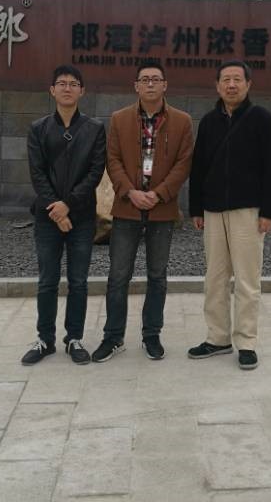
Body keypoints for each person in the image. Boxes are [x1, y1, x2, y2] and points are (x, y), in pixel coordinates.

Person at [92, 63, 194, 363]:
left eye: (155, 79)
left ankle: (152, 336)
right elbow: (112, 159)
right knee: (118, 275)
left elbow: (184, 163)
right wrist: (130, 192)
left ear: (165, 85)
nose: (150, 84)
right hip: (127, 207)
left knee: (157, 275)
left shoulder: (182, 121)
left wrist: (159, 194)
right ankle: (113, 337)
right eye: (145, 79)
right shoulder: (120, 119)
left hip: (162, 209)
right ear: (136, 85)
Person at [188, 60, 271, 371]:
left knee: (247, 280)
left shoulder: (262, 119)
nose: (231, 85)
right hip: (213, 211)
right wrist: (196, 208)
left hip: (247, 211)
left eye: (237, 79)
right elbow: (198, 167)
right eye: (225, 80)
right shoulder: (208, 122)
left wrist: (269, 212)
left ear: (248, 84)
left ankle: (246, 342)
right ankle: (217, 338)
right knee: (214, 278)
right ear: (217, 86)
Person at [22, 65, 106, 366]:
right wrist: (57, 211)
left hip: (81, 216)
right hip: (47, 216)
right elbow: (37, 174)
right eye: (61, 83)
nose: (67, 88)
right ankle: (45, 339)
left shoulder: (94, 128)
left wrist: (68, 205)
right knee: (47, 280)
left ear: (82, 91)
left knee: (78, 281)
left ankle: (74, 339)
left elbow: (95, 172)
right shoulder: (39, 129)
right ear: (52, 90)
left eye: (73, 84)